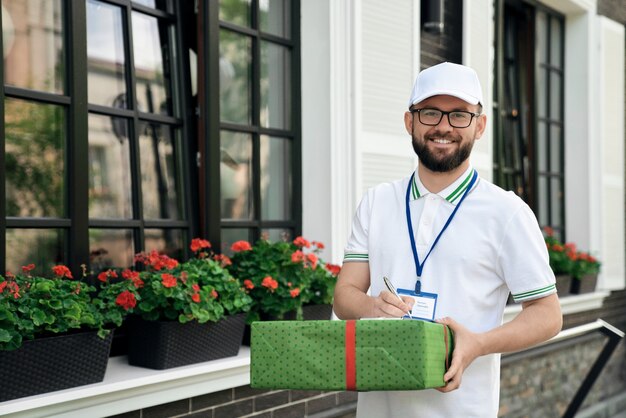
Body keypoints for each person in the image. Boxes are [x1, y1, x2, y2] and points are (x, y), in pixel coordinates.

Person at [333, 62, 563, 418]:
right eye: (430, 113)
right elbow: (344, 295)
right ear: (410, 121)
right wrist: (372, 307)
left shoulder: (507, 212)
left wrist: (478, 344)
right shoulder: (376, 201)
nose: (443, 126)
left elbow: (548, 315)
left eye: (459, 115)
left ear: (480, 126)